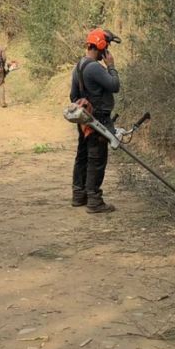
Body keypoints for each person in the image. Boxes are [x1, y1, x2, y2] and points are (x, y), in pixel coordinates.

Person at [70, 28, 120, 213]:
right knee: (96, 159)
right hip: (97, 121)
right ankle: (94, 201)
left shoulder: (79, 66)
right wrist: (112, 66)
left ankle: (78, 195)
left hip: (84, 120)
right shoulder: (95, 67)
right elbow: (115, 86)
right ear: (101, 46)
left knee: (82, 156)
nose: (107, 51)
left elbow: (73, 95)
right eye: (106, 46)